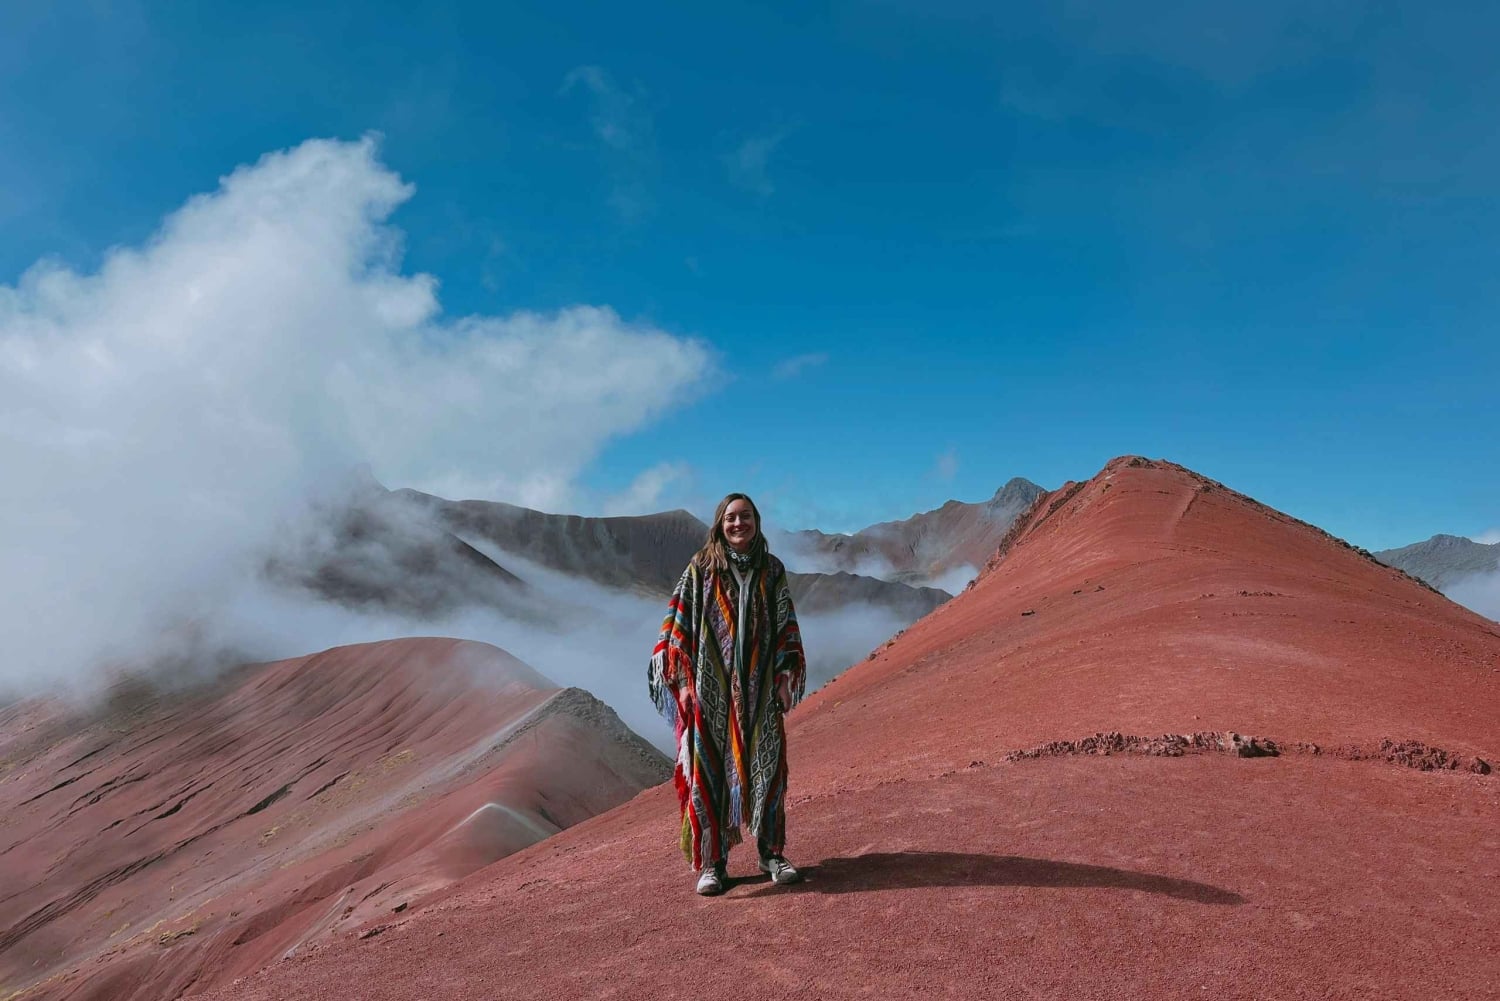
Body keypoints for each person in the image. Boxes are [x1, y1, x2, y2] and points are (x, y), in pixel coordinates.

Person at [648, 492, 807, 895]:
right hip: (711, 691)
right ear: (720, 524)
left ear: (757, 521)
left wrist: (784, 677)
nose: (739, 524)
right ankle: (712, 863)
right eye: (731, 518)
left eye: (746, 516)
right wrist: (685, 685)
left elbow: (785, 623)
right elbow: (678, 628)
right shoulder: (701, 568)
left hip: (761, 690)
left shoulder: (771, 569)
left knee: (768, 769)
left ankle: (771, 853)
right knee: (709, 774)